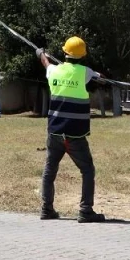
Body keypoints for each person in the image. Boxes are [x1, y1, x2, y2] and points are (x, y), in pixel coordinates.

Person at [37, 37, 107, 223]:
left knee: (50, 170)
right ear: (83, 55)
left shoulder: (54, 71)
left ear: (65, 53)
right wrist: (99, 76)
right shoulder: (85, 72)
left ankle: (46, 209)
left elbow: (46, 63)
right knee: (87, 170)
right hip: (75, 134)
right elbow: (101, 79)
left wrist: (40, 53)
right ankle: (85, 210)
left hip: (55, 132)